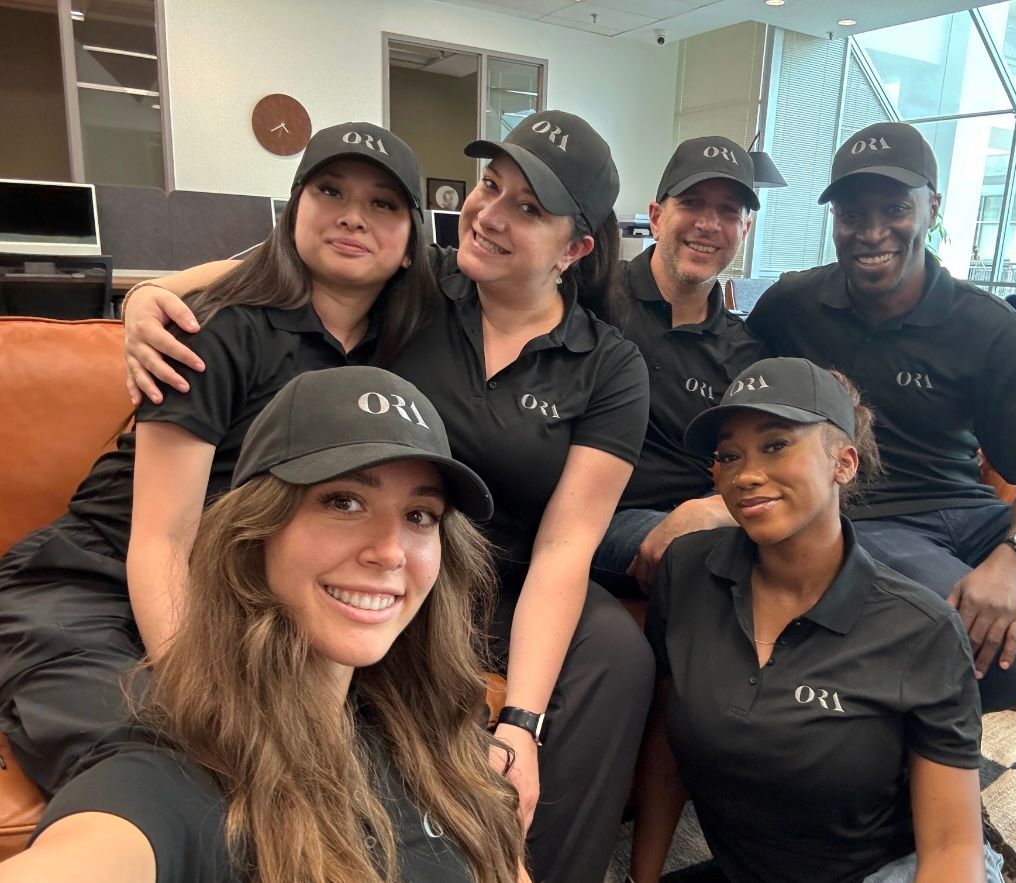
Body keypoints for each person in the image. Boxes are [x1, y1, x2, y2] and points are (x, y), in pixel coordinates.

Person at [118, 109, 653, 883]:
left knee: (617, 655)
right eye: (488, 186)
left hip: (515, 575)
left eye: (527, 209)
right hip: (398, 555)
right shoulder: (427, 286)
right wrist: (149, 295)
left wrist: (523, 722)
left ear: (575, 249)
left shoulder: (609, 367)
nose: (490, 215)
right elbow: (289, 256)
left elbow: (568, 546)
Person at [747, 121, 1016, 883]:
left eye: (892, 207)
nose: (870, 231)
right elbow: (733, 387)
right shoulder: (791, 306)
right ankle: (911, 824)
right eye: (852, 213)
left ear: (932, 206)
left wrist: (1014, 556)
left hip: (972, 512)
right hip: (866, 517)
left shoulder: (986, 325)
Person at [0, 121, 434, 798]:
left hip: (232, 598)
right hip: (96, 580)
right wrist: (204, 700)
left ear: (411, 243)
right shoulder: (221, 329)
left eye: (384, 203)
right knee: (169, 763)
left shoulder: (396, 352)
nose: (352, 215)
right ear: (295, 212)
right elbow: (159, 542)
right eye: (330, 191)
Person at [0, 365, 527, 883]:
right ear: (254, 536)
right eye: (343, 502)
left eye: (420, 515)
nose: (390, 552)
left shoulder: (445, 743)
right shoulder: (176, 779)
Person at [630, 357, 1001, 883]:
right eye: (728, 455)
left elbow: (950, 849)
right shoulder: (687, 571)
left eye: (776, 444)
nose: (746, 474)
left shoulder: (921, 630)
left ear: (844, 462)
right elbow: (667, 750)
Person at [591, 136, 767, 594]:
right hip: (593, 520)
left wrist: (711, 510)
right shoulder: (591, 300)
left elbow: (754, 462)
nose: (708, 224)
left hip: (700, 521)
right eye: (691, 203)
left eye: (729, 211)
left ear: (743, 231)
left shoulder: (746, 354)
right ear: (656, 216)